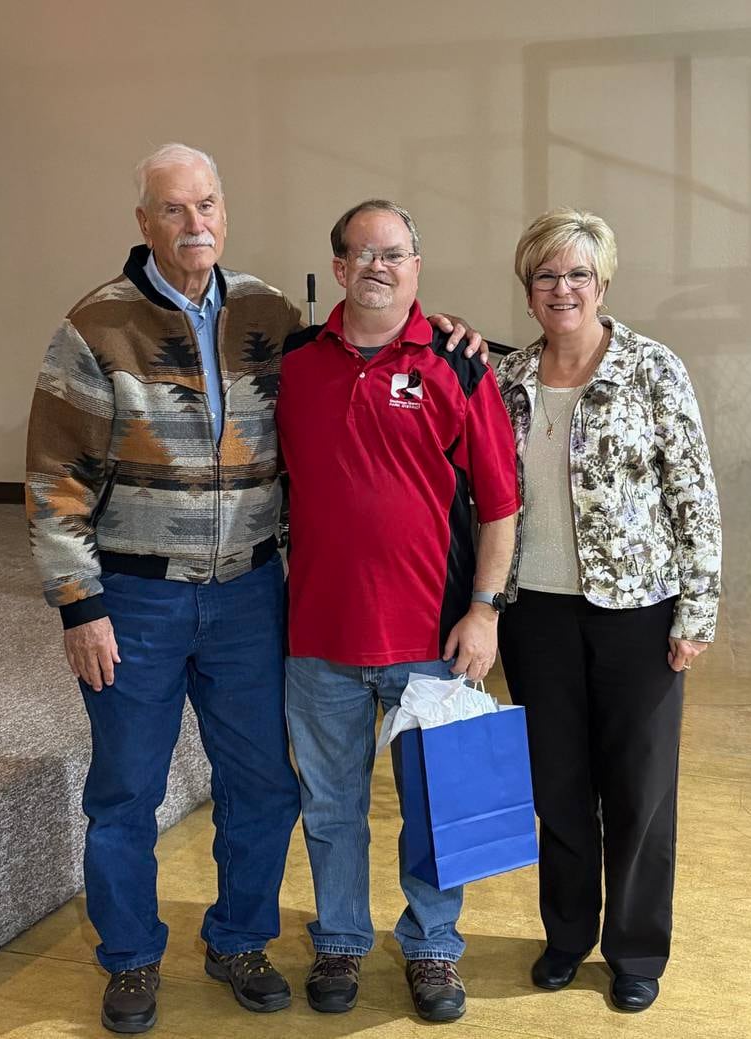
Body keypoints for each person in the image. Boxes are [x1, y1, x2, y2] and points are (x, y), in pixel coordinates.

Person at [25, 144, 481, 1034]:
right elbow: (54, 478)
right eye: (173, 210)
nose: (194, 224)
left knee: (264, 784)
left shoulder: (268, 310)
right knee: (126, 789)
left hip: (247, 596)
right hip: (137, 599)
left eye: (207, 205)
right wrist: (78, 603)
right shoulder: (95, 327)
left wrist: (443, 325)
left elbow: (369, 332)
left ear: (223, 211)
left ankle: (238, 937)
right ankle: (129, 957)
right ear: (144, 223)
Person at [276, 199, 519, 1023]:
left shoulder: (458, 364)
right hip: (317, 640)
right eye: (361, 253)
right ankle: (341, 935)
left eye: (395, 253)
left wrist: (483, 610)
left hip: (429, 639)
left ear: (417, 265)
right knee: (332, 806)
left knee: (435, 806)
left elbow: (499, 504)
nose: (378, 266)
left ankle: (432, 948)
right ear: (338, 269)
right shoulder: (296, 364)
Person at [495, 208, 722, 1013]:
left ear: (602, 283)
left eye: (578, 275)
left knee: (638, 786)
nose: (564, 288)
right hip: (537, 614)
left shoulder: (653, 369)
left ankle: (633, 946)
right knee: (557, 785)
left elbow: (692, 492)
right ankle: (565, 935)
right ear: (529, 292)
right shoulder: (508, 381)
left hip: (639, 612)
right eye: (547, 275)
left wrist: (698, 609)